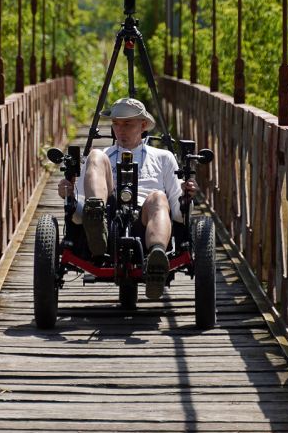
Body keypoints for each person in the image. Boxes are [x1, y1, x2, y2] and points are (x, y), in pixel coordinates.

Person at [56, 98, 199, 299]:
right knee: (95, 154)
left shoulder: (163, 158)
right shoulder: (99, 158)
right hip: (107, 221)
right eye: (115, 123)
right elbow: (79, 217)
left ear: (142, 125)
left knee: (158, 196)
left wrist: (186, 196)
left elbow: (177, 214)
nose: (119, 129)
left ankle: (156, 260)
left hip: (148, 221)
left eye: (127, 123)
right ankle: (97, 221)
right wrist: (69, 197)